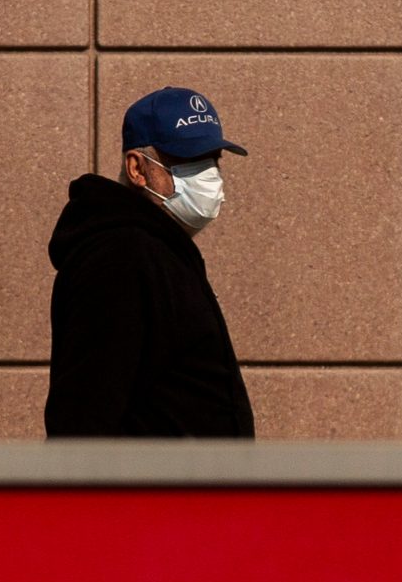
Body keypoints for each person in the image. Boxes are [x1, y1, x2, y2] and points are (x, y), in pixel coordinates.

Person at [44, 88, 254, 439]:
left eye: (213, 160)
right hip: (153, 494)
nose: (209, 178)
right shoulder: (119, 258)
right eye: (189, 162)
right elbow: (83, 419)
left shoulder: (158, 251)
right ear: (137, 169)